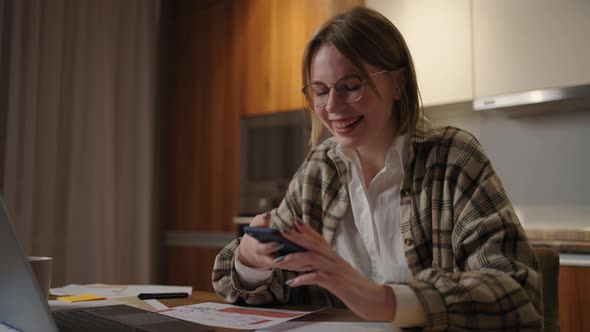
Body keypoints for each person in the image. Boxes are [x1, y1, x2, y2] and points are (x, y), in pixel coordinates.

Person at [213, 6, 542, 330]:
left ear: (398, 84)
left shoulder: (452, 158)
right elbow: (252, 282)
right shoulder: (319, 169)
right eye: (320, 91)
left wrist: (383, 300)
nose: (331, 107)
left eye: (351, 86)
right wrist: (251, 259)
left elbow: (516, 293)